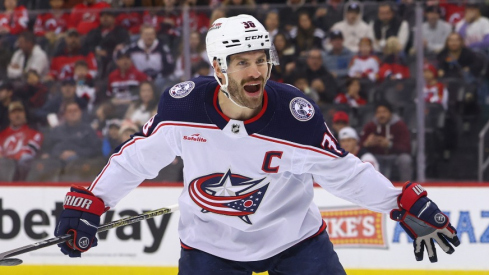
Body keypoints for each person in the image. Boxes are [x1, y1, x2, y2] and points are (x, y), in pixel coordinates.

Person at [54, 14, 460, 274]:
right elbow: (135, 161)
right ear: (218, 67)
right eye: (243, 61)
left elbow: (343, 173)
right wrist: (95, 201)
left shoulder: (294, 115)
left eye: (261, 59)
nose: (257, 70)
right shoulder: (183, 108)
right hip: (209, 247)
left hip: (295, 241)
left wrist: (398, 202)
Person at [360, 101, 412, 181]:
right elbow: (359, 146)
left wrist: (390, 145)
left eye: (384, 112)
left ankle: (407, 186)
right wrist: (367, 144)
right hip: (376, 157)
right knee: (366, 158)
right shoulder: (370, 126)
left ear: (390, 113)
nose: (381, 115)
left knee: (405, 159)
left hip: (395, 157)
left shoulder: (400, 125)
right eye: (378, 112)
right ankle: (369, 187)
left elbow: (407, 148)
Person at [0, 101, 43, 180]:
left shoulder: (34, 133)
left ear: (24, 114)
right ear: (9, 116)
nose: (17, 115)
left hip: (24, 174)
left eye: (20, 111)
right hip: (4, 173)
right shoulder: (2, 135)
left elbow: (27, 153)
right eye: (13, 112)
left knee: (25, 159)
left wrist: (8, 159)